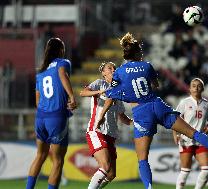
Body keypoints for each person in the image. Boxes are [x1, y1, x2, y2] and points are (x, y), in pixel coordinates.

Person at [97, 32, 208, 189]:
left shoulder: (119, 72)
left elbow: (111, 94)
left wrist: (106, 107)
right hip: (157, 106)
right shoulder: (147, 66)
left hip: (141, 114)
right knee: (194, 133)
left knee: (143, 159)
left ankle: (149, 188)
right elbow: (155, 85)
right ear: (138, 53)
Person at [26, 38, 77, 189]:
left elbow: (37, 100)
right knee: (57, 160)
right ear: (61, 49)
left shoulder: (40, 71)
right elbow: (62, 75)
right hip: (57, 117)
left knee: (40, 156)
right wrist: (72, 97)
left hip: (41, 118)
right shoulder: (63, 63)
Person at [80, 61, 132, 189]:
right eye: (110, 68)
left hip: (111, 135)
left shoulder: (118, 92)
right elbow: (83, 93)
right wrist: (98, 92)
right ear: (103, 73)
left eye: (114, 67)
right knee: (105, 166)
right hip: (96, 130)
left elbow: (123, 118)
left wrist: (138, 121)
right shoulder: (99, 83)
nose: (113, 69)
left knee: (111, 174)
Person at [173, 78, 208, 189]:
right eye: (194, 85)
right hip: (186, 140)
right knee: (185, 171)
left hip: (201, 140)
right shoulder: (184, 103)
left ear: (202, 88)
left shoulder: (207, 105)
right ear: (190, 89)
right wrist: (175, 135)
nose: (196, 88)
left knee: (206, 169)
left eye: (199, 86)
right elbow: (175, 119)